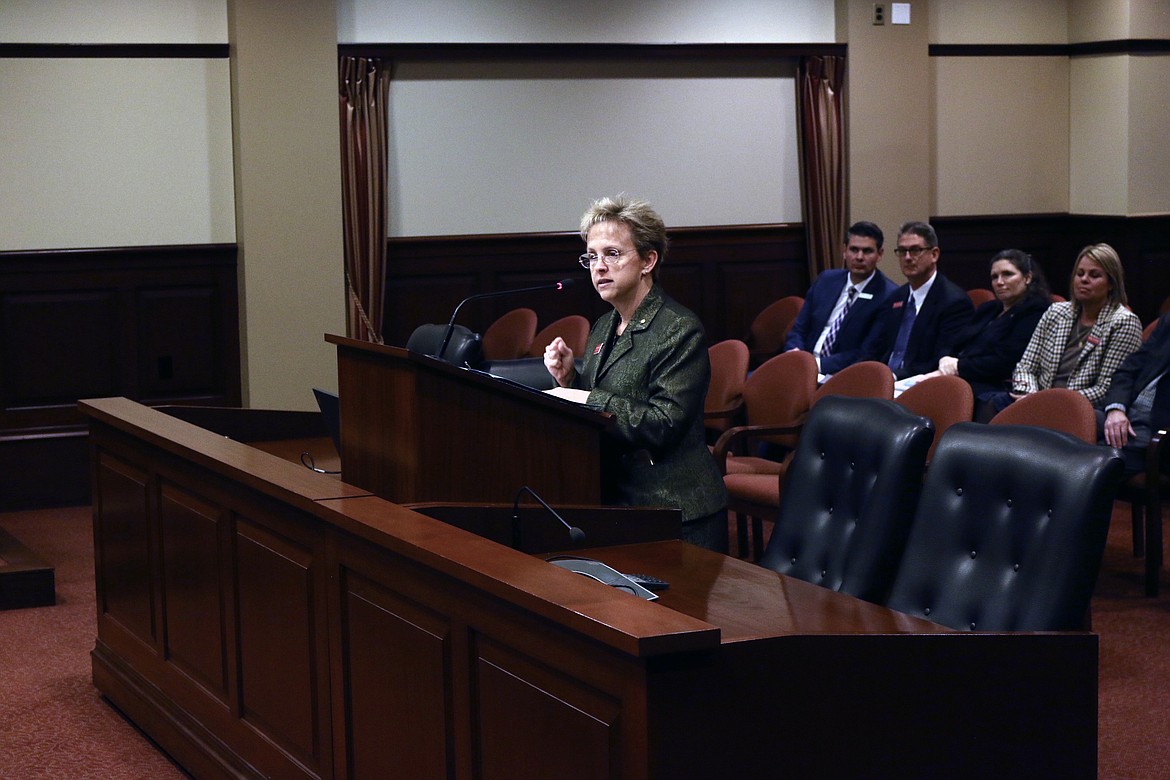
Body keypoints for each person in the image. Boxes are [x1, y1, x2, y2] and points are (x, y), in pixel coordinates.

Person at [543, 195, 729, 552]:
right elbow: (607, 406)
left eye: (612, 254)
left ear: (648, 260)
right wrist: (569, 381)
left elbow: (664, 424)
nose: (599, 267)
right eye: (592, 256)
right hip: (619, 502)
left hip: (675, 508)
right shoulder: (603, 326)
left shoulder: (679, 329)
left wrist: (583, 396)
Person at [1009, 243, 1142, 409]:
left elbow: (1106, 389)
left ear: (1111, 284)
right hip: (1035, 398)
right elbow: (1026, 366)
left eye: (1094, 275)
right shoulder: (1056, 312)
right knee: (990, 402)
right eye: (1080, 274)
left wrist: (1049, 401)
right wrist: (1031, 396)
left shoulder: (1123, 322)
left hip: (1079, 409)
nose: (1084, 279)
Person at [927, 249, 1051, 421]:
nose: (999, 282)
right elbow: (955, 341)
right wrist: (945, 359)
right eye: (995, 276)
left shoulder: (1037, 312)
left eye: (1007, 274)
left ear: (1027, 278)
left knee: (935, 396)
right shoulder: (989, 308)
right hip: (959, 375)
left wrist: (958, 367)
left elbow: (1004, 361)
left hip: (994, 383)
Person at [783, 221, 899, 375]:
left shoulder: (888, 295)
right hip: (801, 366)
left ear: (880, 254)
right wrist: (794, 352)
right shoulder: (826, 280)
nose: (859, 257)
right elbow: (799, 329)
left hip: (840, 375)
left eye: (867, 251)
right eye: (854, 250)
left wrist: (814, 366)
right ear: (844, 251)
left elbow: (867, 353)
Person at [864, 221, 974, 380]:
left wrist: (893, 377)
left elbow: (940, 360)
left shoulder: (954, 302)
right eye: (902, 251)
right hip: (883, 380)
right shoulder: (896, 297)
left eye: (915, 250)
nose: (907, 258)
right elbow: (876, 348)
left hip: (918, 384)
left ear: (934, 254)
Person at [1099, 311, 1170, 474]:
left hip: (1157, 428)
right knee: (1066, 426)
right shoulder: (1168, 322)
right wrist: (1116, 409)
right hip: (1126, 410)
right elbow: (1127, 370)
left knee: (1094, 462)